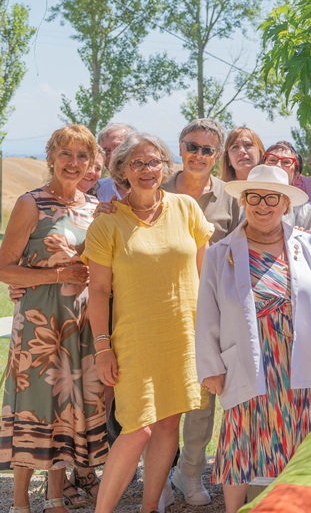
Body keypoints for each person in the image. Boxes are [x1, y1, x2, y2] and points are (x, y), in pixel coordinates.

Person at [195, 165, 311, 513]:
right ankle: (234, 510)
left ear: (285, 204)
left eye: (272, 198)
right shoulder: (220, 253)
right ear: (244, 201)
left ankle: (295, 507)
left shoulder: (310, 245)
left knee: (298, 437)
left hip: (300, 360)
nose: (262, 206)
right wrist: (211, 367)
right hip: (246, 360)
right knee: (240, 439)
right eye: (254, 197)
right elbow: (207, 313)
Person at [83, 132, 214, 513]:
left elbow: (206, 277)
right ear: (121, 170)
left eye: (153, 161)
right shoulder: (107, 223)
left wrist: (212, 337)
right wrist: (103, 348)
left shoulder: (187, 208)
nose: (146, 169)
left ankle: (149, 507)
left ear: (164, 166)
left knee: (169, 426)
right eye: (136, 163)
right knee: (137, 428)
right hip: (134, 340)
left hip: (184, 337)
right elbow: (98, 292)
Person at [0, 125, 107, 513]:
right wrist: (59, 275)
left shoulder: (95, 208)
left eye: (82, 156)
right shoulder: (31, 203)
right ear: (51, 157)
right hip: (39, 325)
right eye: (66, 153)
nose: (73, 163)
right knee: (34, 408)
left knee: (67, 411)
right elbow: (5, 269)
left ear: (91, 163)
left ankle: (55, 498)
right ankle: (20, 503)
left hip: (80, 325)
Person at [165, 119, 241, 506]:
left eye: (207, 150)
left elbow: (242, 253)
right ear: (180, 147)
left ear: (217, 155)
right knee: (161, 399)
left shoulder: (231, 198)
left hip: (213, 311)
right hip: (161, 309)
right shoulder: (156, 189)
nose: (198, 155)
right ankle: (158, 475)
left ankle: (189, 472)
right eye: (192, 146)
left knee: (202, 397)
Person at [262, 139, 311, 235]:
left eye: (286, 162)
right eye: (272, 160)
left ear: (296, 174)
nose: (278, 165)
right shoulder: (246, 208)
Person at [95, 123, 135, 202]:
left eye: (119, 148)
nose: (112, 156)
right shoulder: (94, 191)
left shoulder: (155, 187)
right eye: (106, 150)